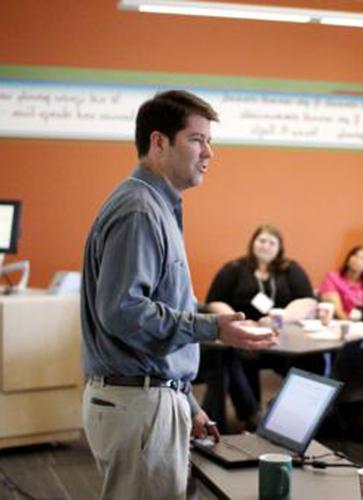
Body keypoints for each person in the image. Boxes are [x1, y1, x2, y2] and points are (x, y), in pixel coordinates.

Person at [80, 90, 276, 499]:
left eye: (210, 141)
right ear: (158, 142)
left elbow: (150, 317)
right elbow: (122, 311)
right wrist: (213, 328)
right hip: (139, 404)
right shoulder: (139, 209)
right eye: (197, 139)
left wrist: (185, 401)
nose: (209, 152)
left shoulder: (158, 205)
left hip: (151, 397)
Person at [203, 224, 314, 431]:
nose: (266, 245)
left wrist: (282, 316)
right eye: (261, 240)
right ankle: (252, 414)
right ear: (253, 242)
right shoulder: (234, 268)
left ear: (279, 247)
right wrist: (236, 320)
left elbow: (307, 300)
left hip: (281, 337)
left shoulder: (290, 269)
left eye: (272, 242)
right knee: (231, 355)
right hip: (242, 335)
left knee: (311, 360)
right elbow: (214, 301)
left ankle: (294, 421)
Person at [319, 245, 363, 319]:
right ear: (348, 259)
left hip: (362, 324)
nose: (357, 259)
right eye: (355, 255)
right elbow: (338, 311)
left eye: (362, 258)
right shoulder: (332, 277)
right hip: (337, 321)